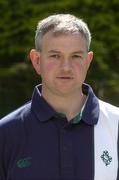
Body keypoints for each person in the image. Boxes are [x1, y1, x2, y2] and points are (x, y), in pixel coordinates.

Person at [0, 14, 119, 180]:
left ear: (88, 60)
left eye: (76, 56)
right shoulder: (5, 134)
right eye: (55, 56)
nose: (66, 67)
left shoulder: (116, 124)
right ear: (36, 60)